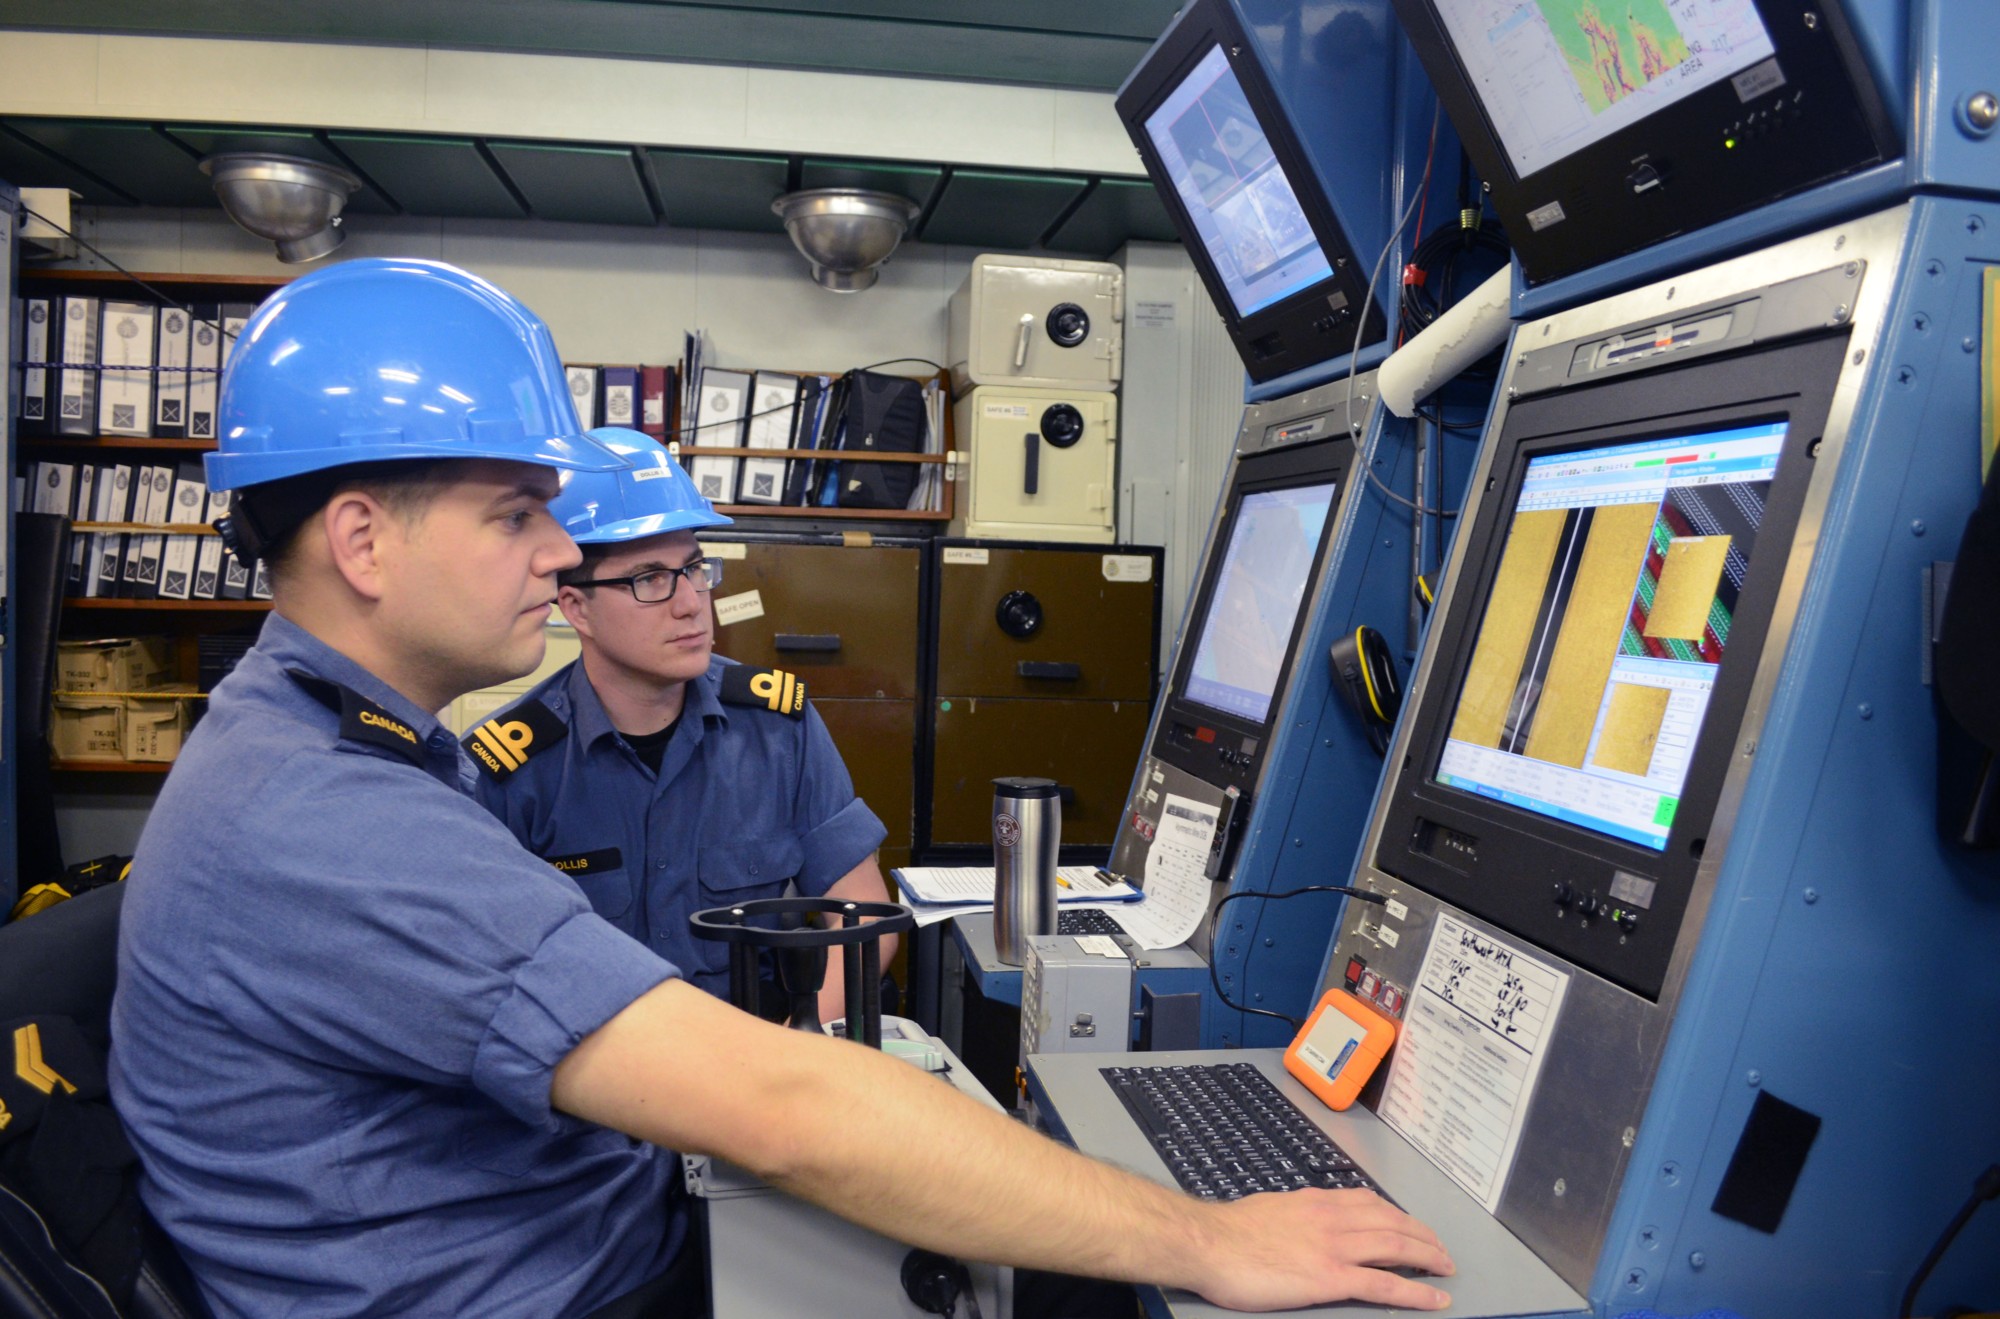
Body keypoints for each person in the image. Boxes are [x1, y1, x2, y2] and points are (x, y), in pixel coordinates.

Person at [108, 257, 1456, 1319]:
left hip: (599, 1218)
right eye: (518, 512)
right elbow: (783, 1107)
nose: (561, 551)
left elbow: (822, 961)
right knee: (1097, 1277)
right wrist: (1205, 1233)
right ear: (361, 540)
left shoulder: (332, 749)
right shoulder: (325, 816)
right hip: (576, 1282)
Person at [465, 430, 893, 1026]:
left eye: (694, 568)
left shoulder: (777, 729)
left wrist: (799, 1046)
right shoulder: (513, 768)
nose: (691, 602)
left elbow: (865, 912)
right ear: (576, 607)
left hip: (757, 1067)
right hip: (593, 1092)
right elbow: (482, 977)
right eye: (649, 578)